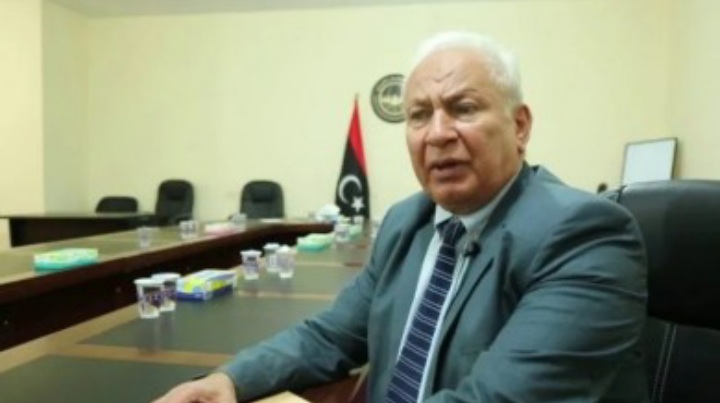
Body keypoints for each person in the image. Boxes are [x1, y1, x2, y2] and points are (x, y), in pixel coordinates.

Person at [154, 31, 648, 403]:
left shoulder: (585, 234)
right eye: (418, 115)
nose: (437, 133)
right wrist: (230, 380)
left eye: (463, 108)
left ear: (519, 126)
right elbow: (334, 334)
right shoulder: (406, 221)